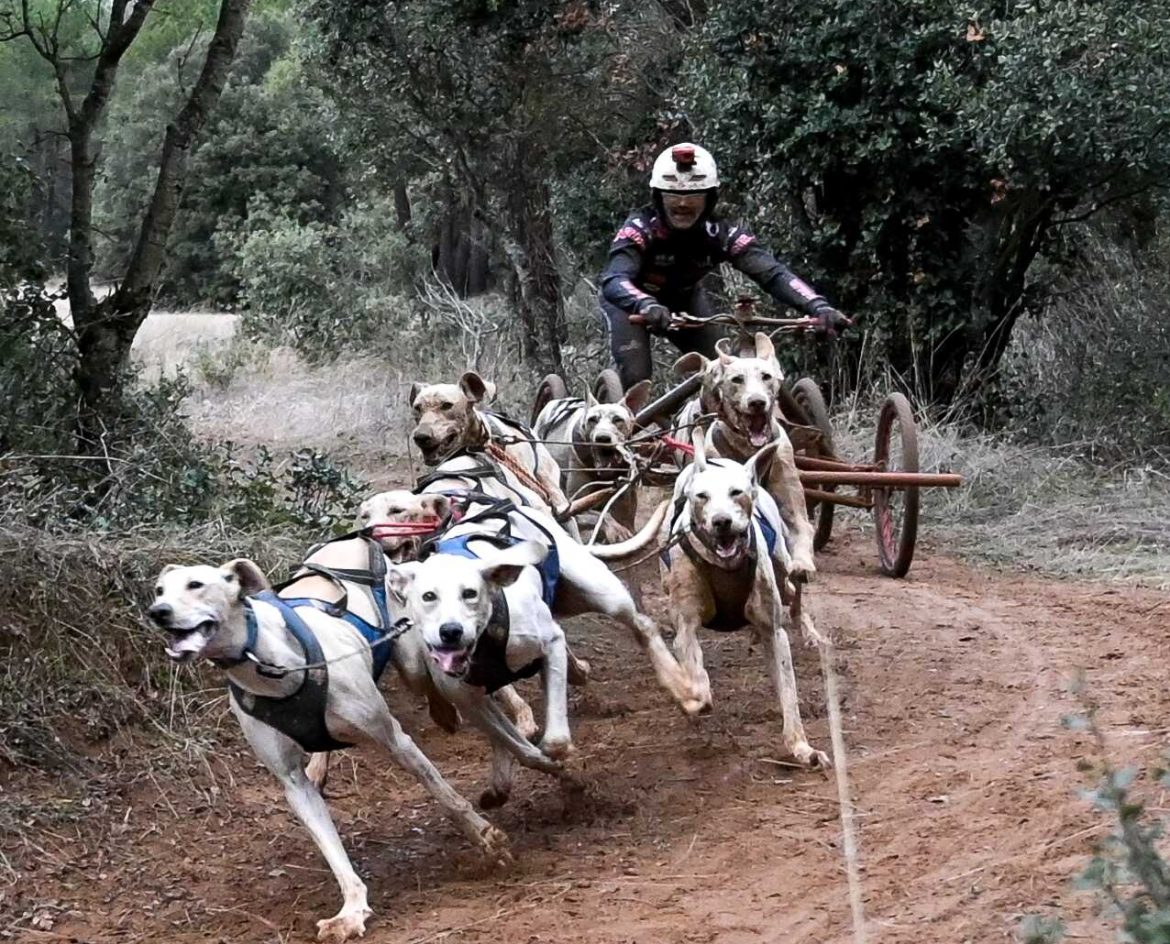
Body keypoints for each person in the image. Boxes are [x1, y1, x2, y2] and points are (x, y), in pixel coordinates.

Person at [599, 143, 851, 390]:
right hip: (630, 305)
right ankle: (612, 415)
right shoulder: (640, 228)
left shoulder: (720, 233)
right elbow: (614, 279)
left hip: (684, 302)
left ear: (709, 199)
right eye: (673, 196)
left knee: (724, 372)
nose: (683, 204)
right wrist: (645, 304)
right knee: (637, 378)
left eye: (693, 197)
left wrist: (818, 306)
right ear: (657, 198)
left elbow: (772, 273)